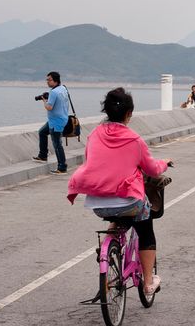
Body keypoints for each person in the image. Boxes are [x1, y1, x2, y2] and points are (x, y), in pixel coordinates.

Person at [67, 88, 171, 295]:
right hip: (128, 203)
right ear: (128, 114)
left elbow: (92, 161)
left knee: (117, 210)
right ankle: (149, 282)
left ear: (106, 111)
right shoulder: (134, 139)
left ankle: (111, 240)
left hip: (98, 203)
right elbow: (151, 168)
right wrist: (165, 163)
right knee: (145, 227)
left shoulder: (94, 135)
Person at [33, 71, 70, 174]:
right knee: (42, 132)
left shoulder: (53, 92)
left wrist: (44, 100)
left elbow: (49, 107)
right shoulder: (63, 89)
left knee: (57, 144)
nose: (47, 82)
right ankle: (43, 155)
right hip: (61, 118)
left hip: (56, 122)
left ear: (55, 81)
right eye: (47, 80)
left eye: (49, 80)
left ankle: (62, 167)